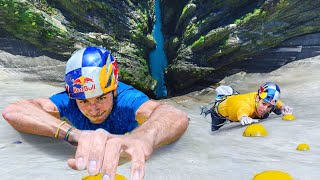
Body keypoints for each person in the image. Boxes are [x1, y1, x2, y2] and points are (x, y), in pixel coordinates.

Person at [2, 46, 189, 179]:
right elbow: (14, 111)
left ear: (114, 90)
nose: (93, 109)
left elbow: (174, 115)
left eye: (101, 98)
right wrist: (72, 133)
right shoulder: (69, 102)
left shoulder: (127, 99)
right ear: (74, 97)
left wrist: (142, 138)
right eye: (84, 101)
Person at [201, 82, 293, 131]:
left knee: (269, 112)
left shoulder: (263, 98)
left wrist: (282, 106)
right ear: (257, 98)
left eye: (268, 106)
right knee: (214, 131)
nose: (265, 109)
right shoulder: (246, 105)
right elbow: (242, 110)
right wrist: (244, 117)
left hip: (237, 101)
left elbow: (274, 102)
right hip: (220, 112)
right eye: (264, 104)